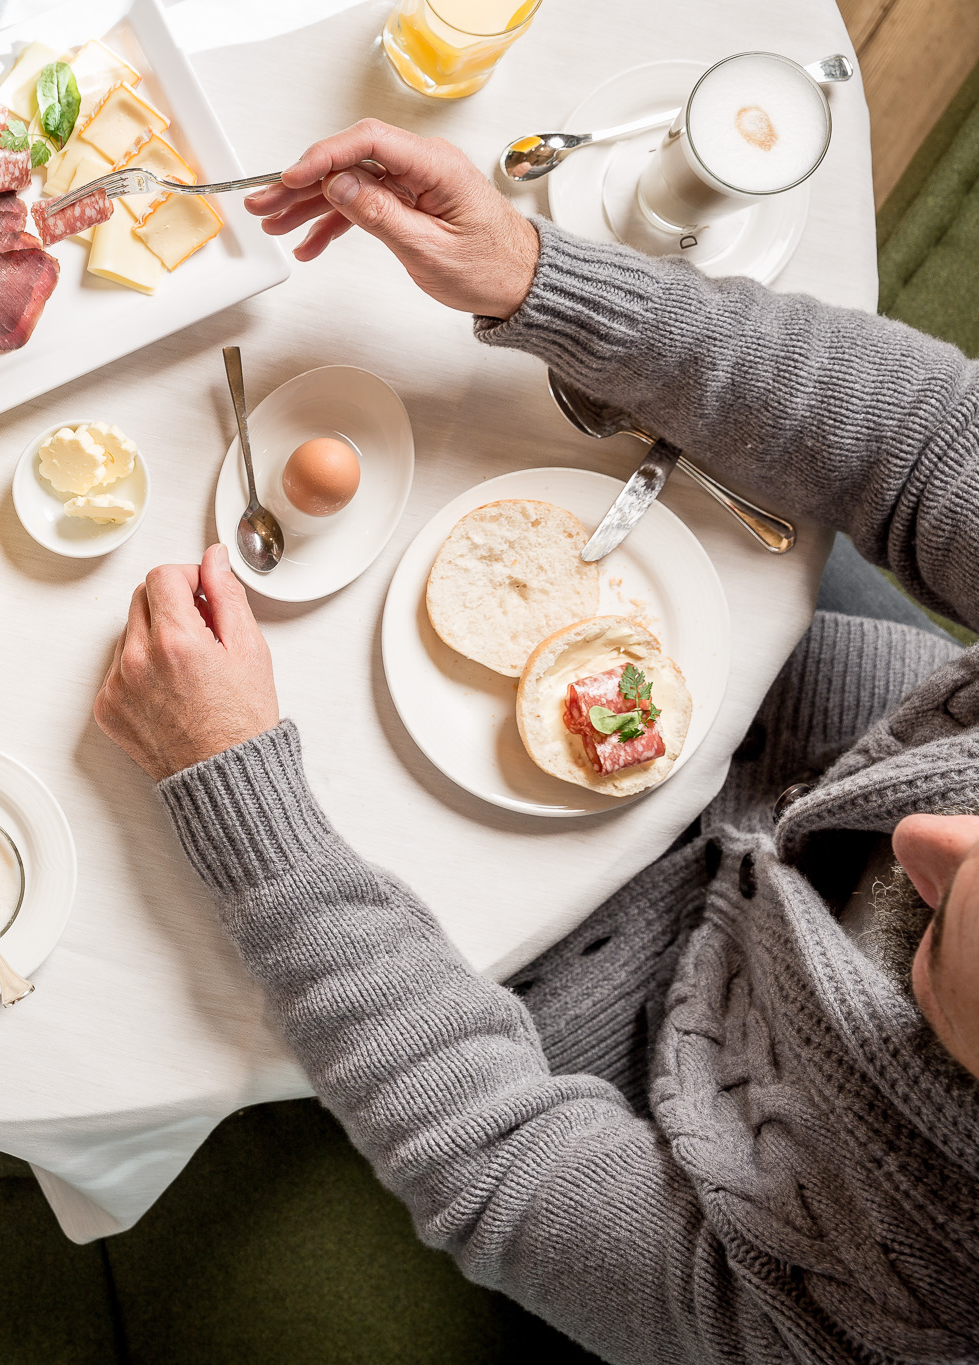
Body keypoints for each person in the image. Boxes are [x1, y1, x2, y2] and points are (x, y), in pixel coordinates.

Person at [94, 119, 979, 1363]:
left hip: (578, 996)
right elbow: (929, 441)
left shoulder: (903, 1309)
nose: (916, 836)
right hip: (802, 696)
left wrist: (233, 796)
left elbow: (502, 1165)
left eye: (936, 941)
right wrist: (536, 274)